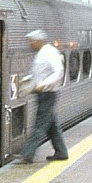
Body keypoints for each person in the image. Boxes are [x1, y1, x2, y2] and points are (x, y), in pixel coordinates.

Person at [18, 29, 69, 163]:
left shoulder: (50, 53)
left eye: (31, 42)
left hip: (48, 93)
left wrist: (43, 85)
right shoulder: (41, 53)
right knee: (52, 125)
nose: (30, 45)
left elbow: (58, 71)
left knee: (39, 125)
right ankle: (61, 152)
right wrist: (28, 80)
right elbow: (40, 73)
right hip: (42, 94)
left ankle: (27, 154)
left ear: (39, 41)